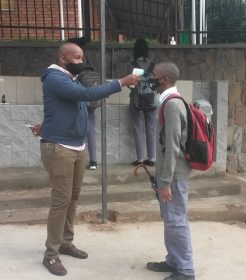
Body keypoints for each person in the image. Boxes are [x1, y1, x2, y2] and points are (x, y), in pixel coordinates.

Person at [39, 42, 139, 276]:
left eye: (82, 56)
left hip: (76, 146)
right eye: (77, 57)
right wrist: (120, 83)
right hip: (60, 148)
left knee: (73, 197)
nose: (81, 61)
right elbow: (84, 95)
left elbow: (68, 108)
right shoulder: (54, 77)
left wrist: (46, 124)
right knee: (61, 200)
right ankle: (51, 254)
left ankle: (66, 242)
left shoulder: (71, 78)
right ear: (64, 59)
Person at [146, 62, 195, 280]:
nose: (151, 79)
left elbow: (173, 146)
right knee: (171, 219)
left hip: (174, 175)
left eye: (154, 76)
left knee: (176, 220)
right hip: (169, 174)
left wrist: (165, 182)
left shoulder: (173, 105)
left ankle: (185, 270)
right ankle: (174, 261)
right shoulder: (167, 101)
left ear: (165, 79)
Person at [67, 37, 99, 170]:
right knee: (91, 129)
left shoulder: (74, 59)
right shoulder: (88, 59)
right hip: (92, 100)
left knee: (78, 129)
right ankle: (93, 161)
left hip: (80, 100)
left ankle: (77, 160)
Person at [129, 39, 156, 166]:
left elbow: (131, 84)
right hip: (151, 101)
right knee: (151, 128)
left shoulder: (134, 65)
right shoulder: (153, 66)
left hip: (136, 100)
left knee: (138, 128)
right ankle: (151, 159)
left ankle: (140, 159)